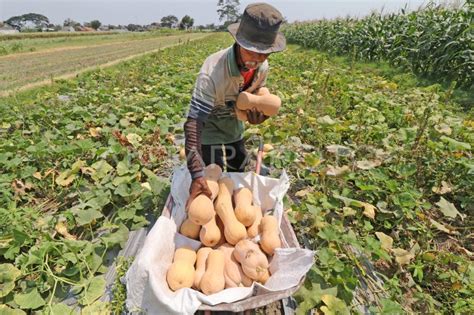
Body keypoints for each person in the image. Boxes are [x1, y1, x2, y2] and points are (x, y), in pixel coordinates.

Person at [184, 2, 286, 205]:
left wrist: (256, 116)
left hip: (234, 125)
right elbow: (194, 122)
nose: (258, 59)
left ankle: (232, 205)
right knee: (212, 173)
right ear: (239, 42)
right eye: (252, 51)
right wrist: (196, 173)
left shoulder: (262, 67)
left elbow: (254, 99)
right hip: (209, 126)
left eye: (264, 52)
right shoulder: (212, 71)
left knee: (238, 170)